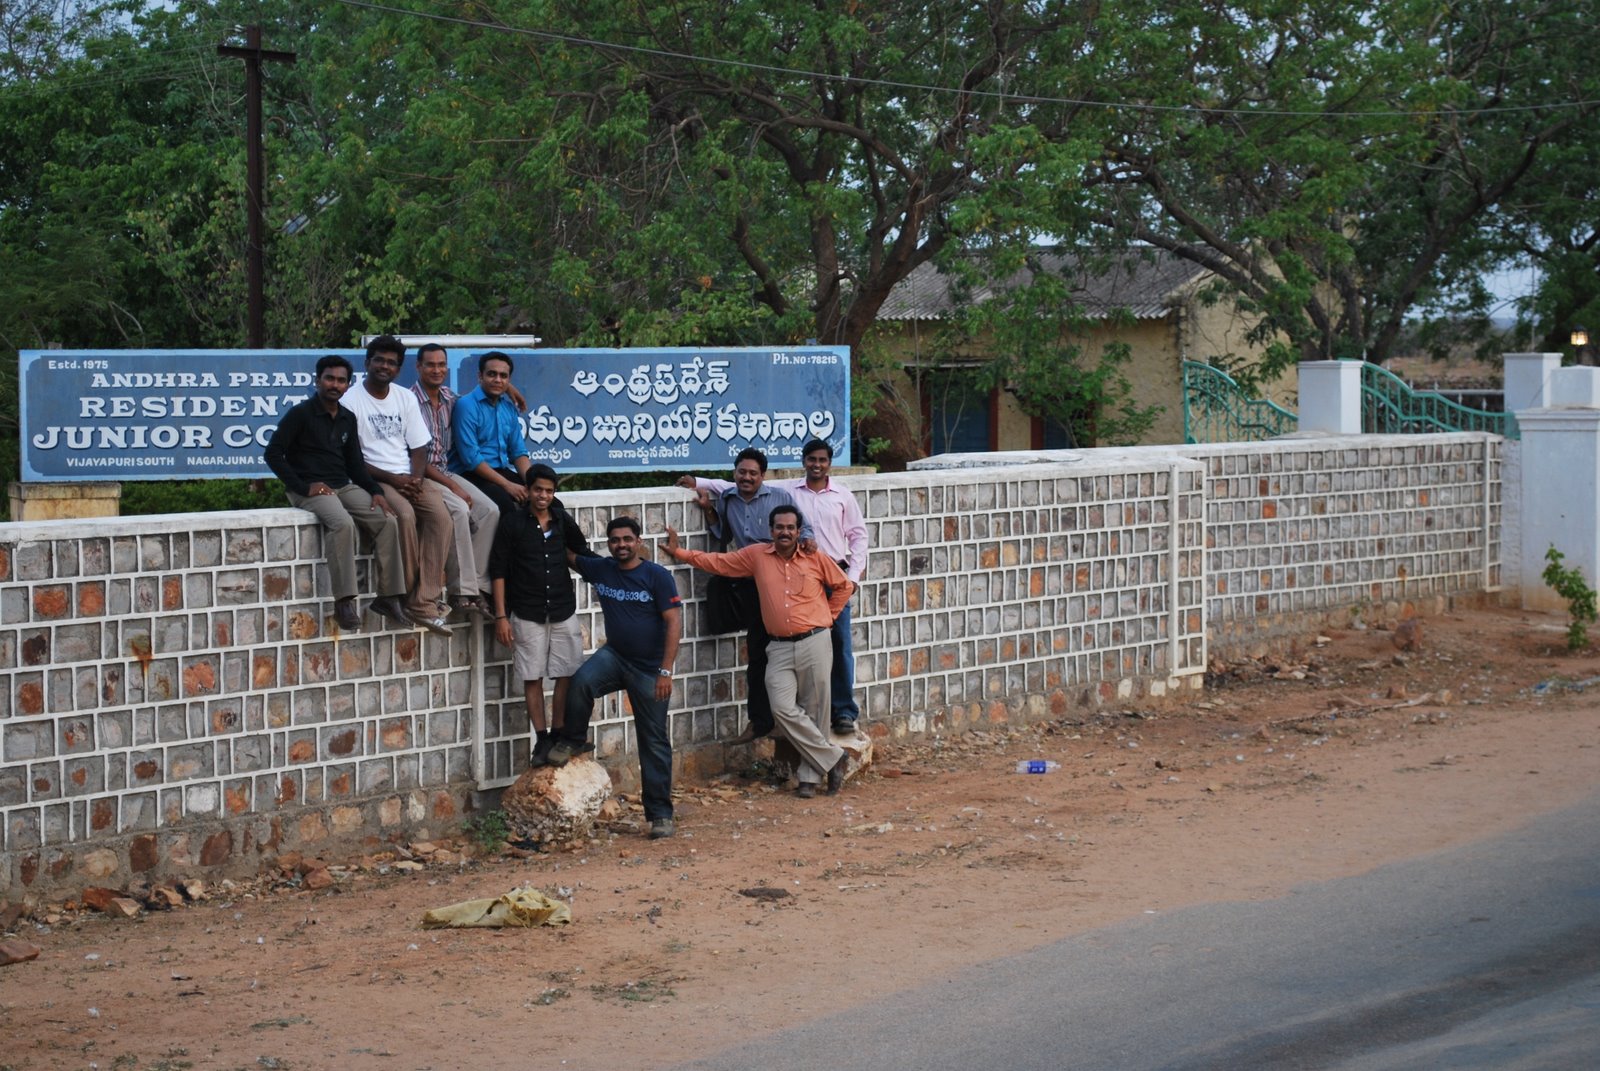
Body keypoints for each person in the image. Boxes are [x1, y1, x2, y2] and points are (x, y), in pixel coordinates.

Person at [663, 505, 851, 799]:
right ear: (771, 530)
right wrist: (680, 553)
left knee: (816, 710)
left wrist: (828, 617)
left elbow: (843, 585)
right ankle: (834, 758)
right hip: (776, 645)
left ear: (798, 531)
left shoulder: (815, 557)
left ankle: (810, 778)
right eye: (779, 527)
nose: (785, 532)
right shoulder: (756, 557)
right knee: (780, 708)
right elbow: (719, 563)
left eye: (790, 527)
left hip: (814, 640)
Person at [681, 438, 868, 733]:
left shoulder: (839, 495)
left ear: (830, 463)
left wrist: (852, 578)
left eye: (822, 460)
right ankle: (769, 720)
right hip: (773, 578)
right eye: (811, 459)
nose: (816, 465)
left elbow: (858, 536)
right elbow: (729, 487)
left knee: (838, 644)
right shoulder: (786, 491)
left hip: (829, 576)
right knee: (770, 649)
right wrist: (697, 482)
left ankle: (843, 713)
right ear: (803, 461)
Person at [545, 517, 683, 840]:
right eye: (615, 540)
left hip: (650, 669)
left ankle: (660, 814)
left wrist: (666, 670)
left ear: (638, 541)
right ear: (609, 544)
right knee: (581, 682)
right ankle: (573, 740)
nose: (621, 545)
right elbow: (570, 555)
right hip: (616, 656)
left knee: (654, 742)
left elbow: (674, 622)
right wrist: (547, 516)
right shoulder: (602, 569)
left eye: (627, 539)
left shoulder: (657, 577)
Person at [263, 354, 412, 631]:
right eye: (329, 378)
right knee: (342, 524)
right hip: (311, 489)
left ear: (347, 385)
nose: (335, 384)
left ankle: (389, 597)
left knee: (387, 520)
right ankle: (344, 602)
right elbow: (273, 453)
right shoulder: (301, 414)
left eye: (341, 380)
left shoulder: (347, 417)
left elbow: (355, 463)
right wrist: (302, 486)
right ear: (317, 380)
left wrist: (375, 491)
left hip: (342, 485)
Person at [673, 447, 801, 744]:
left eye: (753, 473)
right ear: (735, 473)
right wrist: (707, 508)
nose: (747, 477)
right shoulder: (728, 498)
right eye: (742, 472)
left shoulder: (780, 499)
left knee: (790, 651)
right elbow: (723, 536)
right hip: (750, 582)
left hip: (783, 582)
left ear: (762, 476)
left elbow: (802, 534)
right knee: (757, 653)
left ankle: (793, 720)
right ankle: (760, 722)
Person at [340, 336, 452, 635]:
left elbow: (419, 448)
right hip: (375, 477)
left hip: (409, 475)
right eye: (379, 360)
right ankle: (404, 595)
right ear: (367, 363)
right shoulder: (350, 401)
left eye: (391, 362)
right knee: (403, 515)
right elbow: (352, 459)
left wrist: (415, 479)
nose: (384, 366)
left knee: (442, 517)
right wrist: (394, 480)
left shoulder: (405, 397)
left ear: (399, 369)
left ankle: (424, 599)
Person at [488, 464, 594, 767]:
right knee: (532, 675)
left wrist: (611, 573)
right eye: (538, 490)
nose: (543, 496)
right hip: (526, 611)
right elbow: (498, 571)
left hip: (562, 609)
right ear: (528, 489)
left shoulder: (561, 520)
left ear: (554, 493)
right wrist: (501, 617)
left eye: (549, 491)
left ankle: (560, 731)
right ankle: (542, 737)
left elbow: (580, 552)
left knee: (566, 673)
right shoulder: (512, 523)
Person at [410, 342, 496, 617]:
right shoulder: (408, 401)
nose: (437, 370)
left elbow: (483, 393)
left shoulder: (450, 398)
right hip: (421, 474)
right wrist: (454, 486)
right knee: (459, 509)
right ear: (419, 367)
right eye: (430, 365)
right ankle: (462, 592)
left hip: (446, 471)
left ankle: (479, 586)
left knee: (489, 510)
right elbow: (420, 459)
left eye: (441, 365)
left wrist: (513, 390)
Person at [450, 351, 531, 514]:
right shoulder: (466, 405)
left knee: (550, 503)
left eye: (503, 376)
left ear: (508, 381)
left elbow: (518, 453)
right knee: (505, 506)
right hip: (472, 473)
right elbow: (471, 459)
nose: (497, 380)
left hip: (500, 471)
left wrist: (533, 483)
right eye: (491, 374)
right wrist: (508, 485)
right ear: (480, 376)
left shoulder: (508, 408)